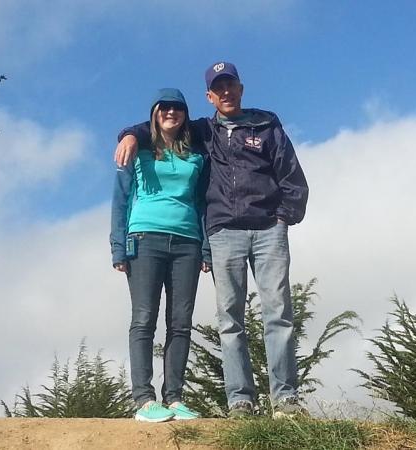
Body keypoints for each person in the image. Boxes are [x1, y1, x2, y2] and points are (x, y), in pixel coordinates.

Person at [115, 62, 309, 418]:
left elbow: (292, 174)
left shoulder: (266, 123)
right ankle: (240, 401)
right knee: (229, 319)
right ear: (210, 96)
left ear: (240, 88)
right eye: (218, 88)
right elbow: (159, 126)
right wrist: (127, 134)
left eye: (230, 85)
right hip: (223, 231)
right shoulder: (203, 131)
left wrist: (284, 217)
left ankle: (286, 400)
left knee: (278, 312)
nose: (225, 92)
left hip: (267, 229)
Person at [110, 88, 210, 422]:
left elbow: (203, 203)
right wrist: (117, 246)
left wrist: (206, 247)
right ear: (154, 113)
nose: (171, 112)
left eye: (177, 108)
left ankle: (175, 398)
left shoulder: (197, 152)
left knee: (180, 323)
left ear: (185, 114)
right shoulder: (138, 148)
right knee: (143, 319)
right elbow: (120, 199)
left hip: (188, 242)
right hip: (144, 238)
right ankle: (143, 400)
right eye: (164, 107)